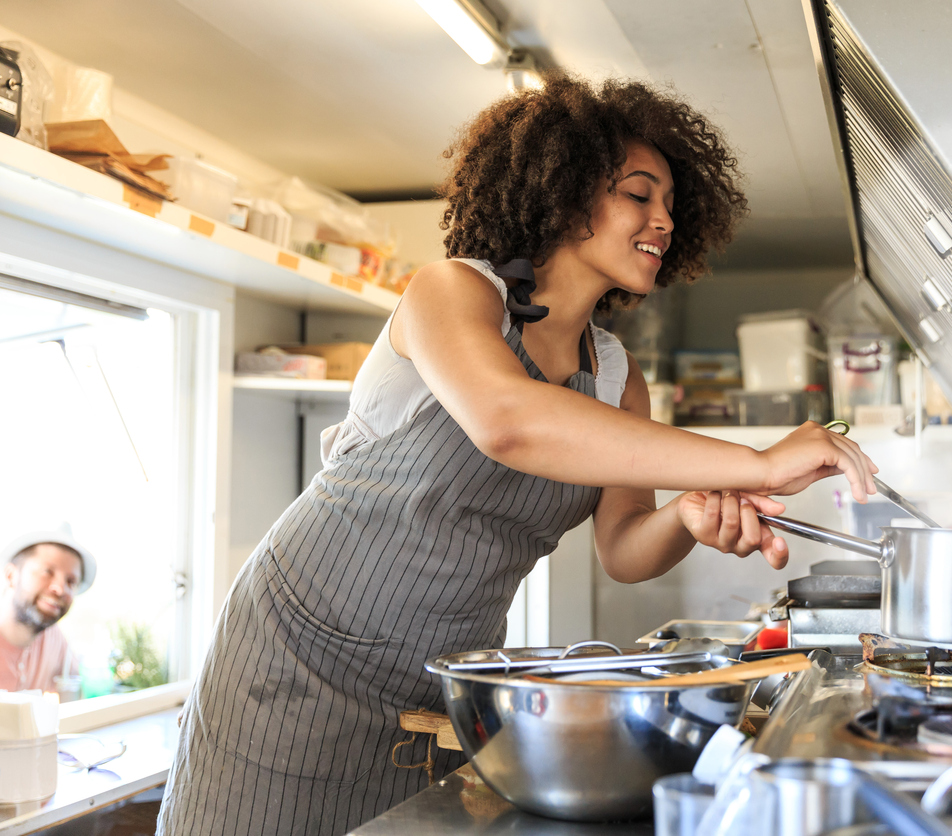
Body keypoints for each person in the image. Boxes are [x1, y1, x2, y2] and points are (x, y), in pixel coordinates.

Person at [158, 75, 878, 836]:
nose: (663, 219)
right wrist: (757, 462)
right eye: (640, 194)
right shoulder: (453, 293)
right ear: (567, 197)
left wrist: (686, 515)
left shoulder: (615, 375)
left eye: (671, 203)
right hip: (294, 661)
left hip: (445, 681)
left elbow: (625, 548)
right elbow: (509, 421)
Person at [0, 530, 96, 693]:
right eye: (47, 572)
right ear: (11, 576)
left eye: (71, 582)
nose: (60, 589)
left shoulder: (54, 639)